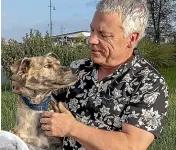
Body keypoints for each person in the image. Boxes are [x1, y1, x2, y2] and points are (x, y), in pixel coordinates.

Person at [13, 0, 168, 150]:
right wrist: (27, 86)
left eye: (104, 34)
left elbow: (131, 146)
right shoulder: (78, 69)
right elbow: (41, 99)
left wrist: (73, 129)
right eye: (92, 30)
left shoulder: (148, 83)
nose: (92, 39)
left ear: (131, 38)